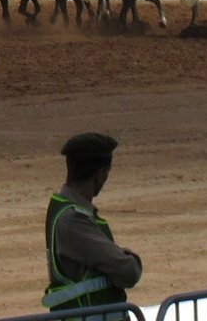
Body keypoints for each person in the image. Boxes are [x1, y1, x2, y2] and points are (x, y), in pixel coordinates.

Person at [43, 132, 142, 314]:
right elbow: (128, 272)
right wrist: (129, 257)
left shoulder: (63, 209)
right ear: (101, 174)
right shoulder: (73, 220)